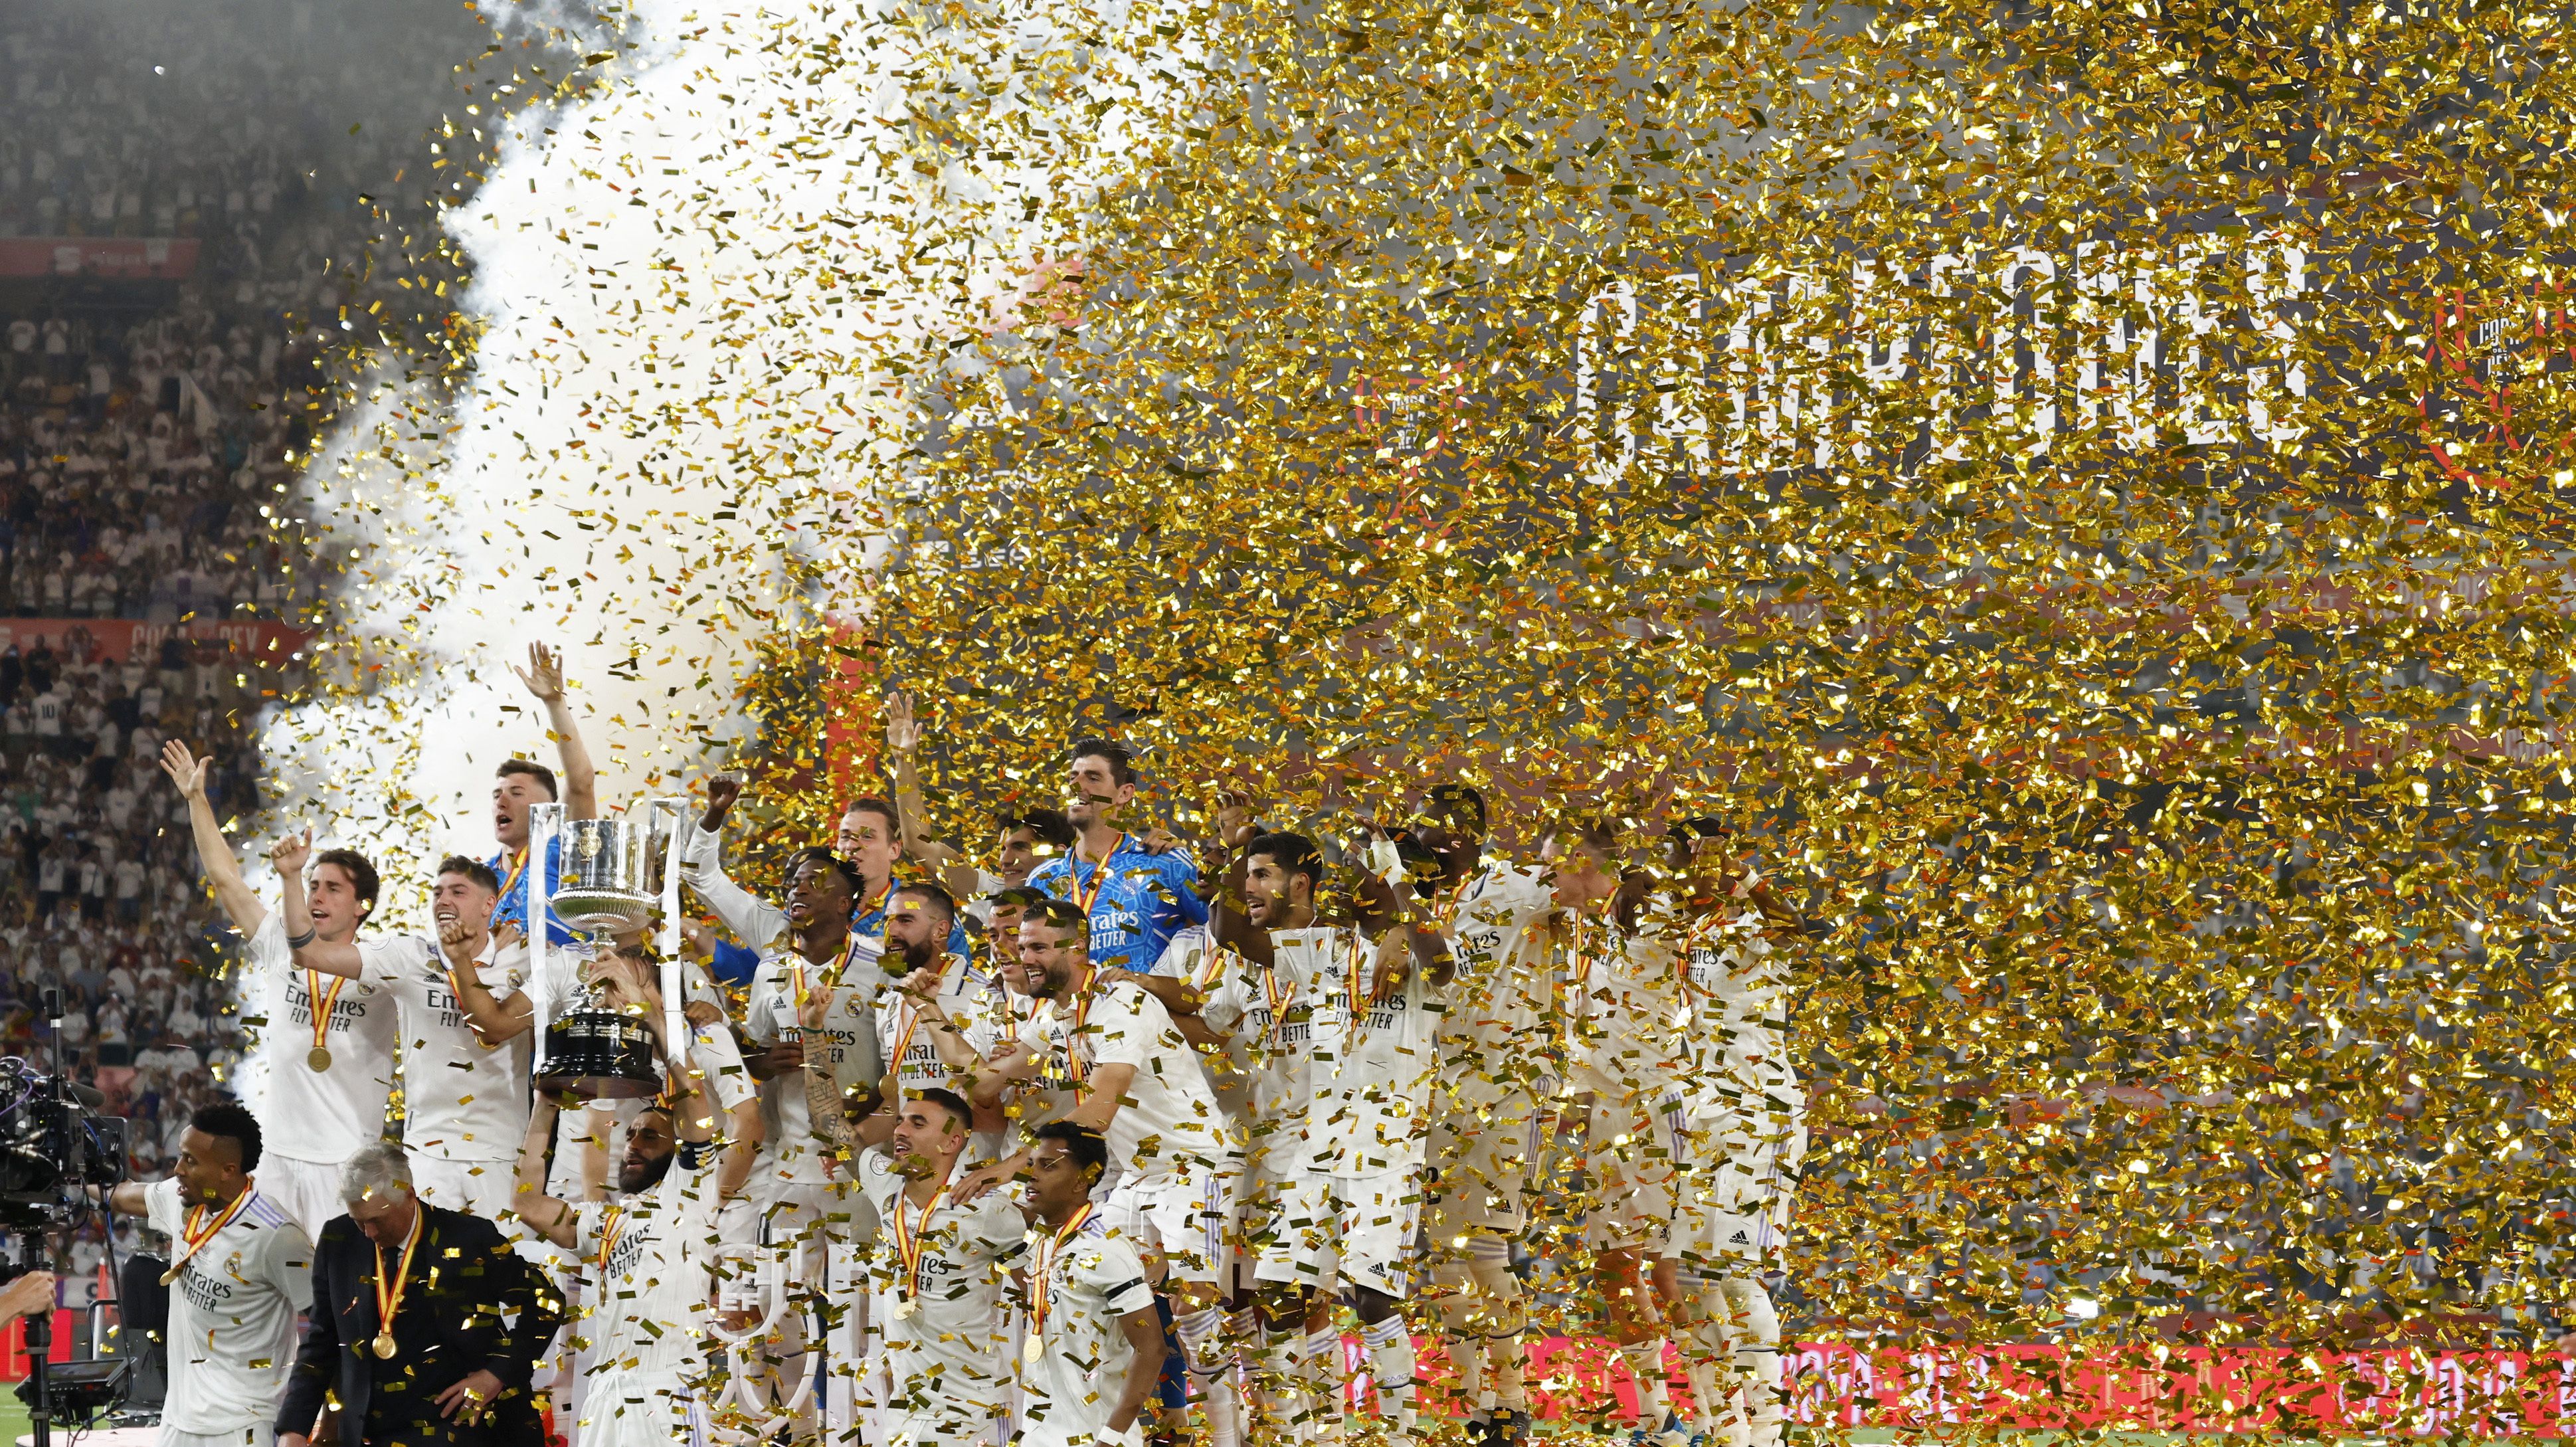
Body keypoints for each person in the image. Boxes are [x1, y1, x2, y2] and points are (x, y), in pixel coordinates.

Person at [961, 897, 1243, 1447]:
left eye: (1040, 947)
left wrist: (1015, 1165)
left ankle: (1227, 1437)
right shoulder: (1056, 1014)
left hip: (1196, 1164)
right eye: (1022, 948)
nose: (1027, 958)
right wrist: (932, 1021)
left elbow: (1098, 1109)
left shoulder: (1120, 1004)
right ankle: (1139, 1430)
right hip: (1138, 1177)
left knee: (1192, 1307)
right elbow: (986, 1083)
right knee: (1099, 1294)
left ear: (1078, 948)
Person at [1235, 834, 1449, 1445]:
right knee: (1277, 1292)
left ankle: (1402, 1435)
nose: (1350, 880)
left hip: (1385, 1157)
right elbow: (1246, 935)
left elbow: (1441, 959)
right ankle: (1309, 1433)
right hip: (1317, 1152)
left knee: (1373, 1300)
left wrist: (1399, 901)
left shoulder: (1420, 953)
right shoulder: (1323, 949)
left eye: (1365, 871)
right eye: (1346, 870)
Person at [161, 741, 397, 1241]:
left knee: (341, 1302)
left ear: (363, 905)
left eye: (333, 888)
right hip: (279, 1163)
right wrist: (196, 799)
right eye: (314, 885)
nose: (317, 895)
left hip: (348, 1164)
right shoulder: (278, 945)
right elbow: (227, 882)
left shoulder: (384, 965)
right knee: (266, 1289)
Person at [510, 950, 747, 1447]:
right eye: (633, 1134)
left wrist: (654, 1021)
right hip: (604, 1394)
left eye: (651, 1138)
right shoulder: (606, 1221)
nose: (635, 1144)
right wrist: (544, 1108)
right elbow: (529, 1203)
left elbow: (696, 1109)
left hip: (668, 1394)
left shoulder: (692, 1194)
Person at [1408, 783, 1550, 1447]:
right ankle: (1475, 1406)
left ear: (1465, 833)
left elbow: (1586, 891)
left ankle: (1511, 1403)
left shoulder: (1517, 888)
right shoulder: (1410, 902)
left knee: (1488, 1250)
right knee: (1439, 1256)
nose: (1420, 835)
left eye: (1431, 825)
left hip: (1505, 1090)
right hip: (1431, 1094)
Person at [280, 852, 531, 1219]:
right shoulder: (408, 957)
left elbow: (494, 1027)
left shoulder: (525, 961)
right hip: (428, 1154)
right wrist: (290, 877)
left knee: (507, 1272)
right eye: (437, 892)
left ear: (489, 904)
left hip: (501, 1153)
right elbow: (309, 955)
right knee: (424, 1272)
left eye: (458, 892)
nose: (444, 900)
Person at [1660, 819, 1805, 1447]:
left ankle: (1771, 1434)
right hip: (1700, 1114)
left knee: (1739, 1275)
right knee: (1690, 1278)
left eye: (1689, 857)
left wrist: (1741, 875)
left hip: (1759, 1112)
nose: (1682, 868)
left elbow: (1795, 926)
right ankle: (1724, 1428)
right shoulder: (1678, 934)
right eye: (1678, 858)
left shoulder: (1750, 927)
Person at [275, 1141, 561, 1447]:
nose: (369, 1233)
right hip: (368, 1433)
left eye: (377, 1220)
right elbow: (321, 1341)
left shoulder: (468, 1238)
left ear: (410, 1196)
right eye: (360, 1221)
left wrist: (496, 1375)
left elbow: (547, 1302)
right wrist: (294, 1428)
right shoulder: (339, 1239)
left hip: (459, 1430)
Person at [103, 1102, 312, 1447]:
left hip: (244, 1427)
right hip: (177, 1422)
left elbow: (327, 1328)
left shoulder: (278, 1236)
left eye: (191, 1160)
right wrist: (68, 1177)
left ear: (228, 1170)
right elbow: (123, 1197)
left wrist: (302, 1425)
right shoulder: (182, 1198)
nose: (178, 1169)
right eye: (181, 1156)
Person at [1014, 1123, 1168, 1447]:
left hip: (1094, 1438)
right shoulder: (1041, 1243)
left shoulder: (1106, 1248)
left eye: (1048, 1166)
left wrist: (1110, 1439)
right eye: (1032, 1164)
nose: (1033, 1175)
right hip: (1039, 1434)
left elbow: (1151, 1347)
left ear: (1082, 1180)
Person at [1024, 739, 1207, 974]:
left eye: (1092, 778)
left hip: (1143, 1008)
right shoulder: (1042, 880)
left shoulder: (1165, 863)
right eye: (1073, 777)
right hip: (1066, 1011)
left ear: (1124, 793)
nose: (1076, 786)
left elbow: (1224, 935)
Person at [486, 642, 597, 948]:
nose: (501, 801)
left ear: (547, 808)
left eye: (516, 792)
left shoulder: (565, 856)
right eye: (497, 794)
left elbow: (581, 784)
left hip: (565, 989)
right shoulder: (478, 877)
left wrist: (554, 703)